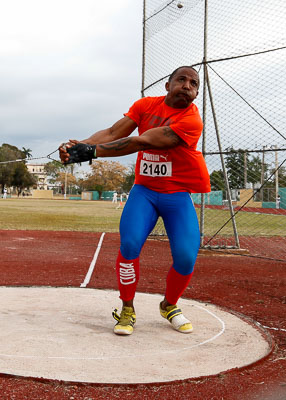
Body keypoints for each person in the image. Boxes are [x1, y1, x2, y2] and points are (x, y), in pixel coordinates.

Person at [59, 66, 210, 336]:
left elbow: (141, 142)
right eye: (182, 80)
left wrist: (91, 151)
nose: (187, 85)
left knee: (186, 258)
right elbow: (113, 132)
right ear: (168, 85)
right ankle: (127, 308)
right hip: (145, 192)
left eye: (194, 83)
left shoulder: (191, 121)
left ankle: (169, 305)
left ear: (197, 93)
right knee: (129, 245)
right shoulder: (144, 106)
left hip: (176, 195)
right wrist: (79, 146)